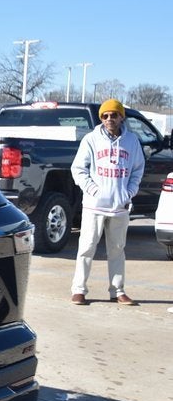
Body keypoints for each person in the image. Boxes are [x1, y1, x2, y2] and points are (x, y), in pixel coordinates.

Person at [69, 98, 145, 306]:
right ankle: (79, 290)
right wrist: (93, 189)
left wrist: (129, 192)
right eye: (105, 115)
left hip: (120, 206)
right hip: (94, 205)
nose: (109, 119)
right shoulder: (91, 140)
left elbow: (138, 169)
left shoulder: (132, 141)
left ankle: (118, 290)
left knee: (117, 250)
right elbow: (78, 169)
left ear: (122, 117)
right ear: (101, 118)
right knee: (86, 248)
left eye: (114, 115)